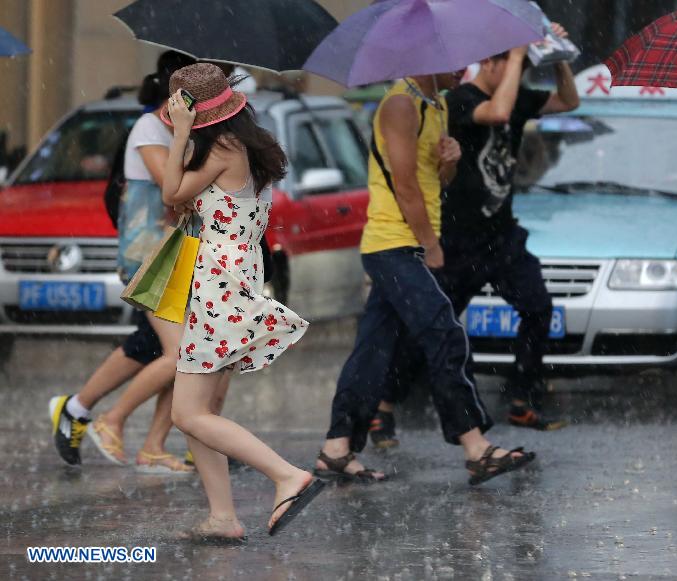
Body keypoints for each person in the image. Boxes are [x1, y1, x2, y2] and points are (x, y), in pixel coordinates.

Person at [314, 69, 536, 486]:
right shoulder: (401, 104)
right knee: (444, 332)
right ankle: (476, 447)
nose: (463, 68)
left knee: (373, 350)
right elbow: (405, 186)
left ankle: (337, 448)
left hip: (407, 243)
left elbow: (435, 181)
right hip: (393, 245)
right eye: (454, 57)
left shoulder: (437, 105)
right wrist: (431, 246)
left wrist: (449, 162)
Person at [369, 29, 580, 448]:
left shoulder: (515, 94)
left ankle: (521, 397)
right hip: (459, 240)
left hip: (501, 236)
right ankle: (383, 408)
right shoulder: (460, 99)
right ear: (489, 62)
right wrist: (518, 51)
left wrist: (557, 57)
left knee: (538, 307)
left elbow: (569, 101)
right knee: (430, 330)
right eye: (509, 62)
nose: (517, 70)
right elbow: (497, 114)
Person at [162, 63, 321, 538]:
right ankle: (223, 516)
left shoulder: (224, 148)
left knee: (186, 413)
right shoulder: (243, 145)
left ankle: (287, 475)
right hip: (231, 278)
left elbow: (171, 193)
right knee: (200, 414)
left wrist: (180, 135)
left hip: (218, 285)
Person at [49, 51, 202, 473]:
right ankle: (108, 420)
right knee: (184, 352)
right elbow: (174, 191)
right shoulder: (150, 128)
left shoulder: (187, 134)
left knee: (170, 350)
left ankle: (147, 441)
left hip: (180, 253)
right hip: (148, 258)